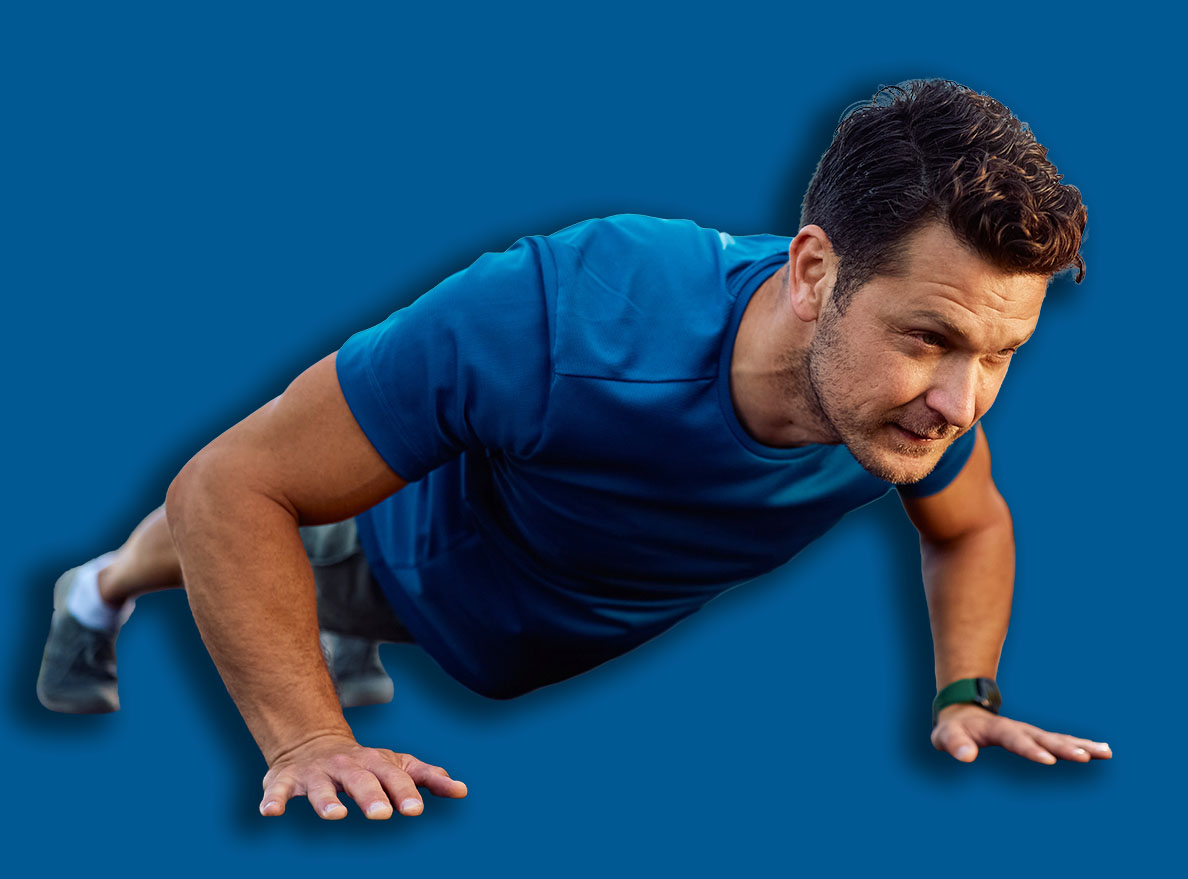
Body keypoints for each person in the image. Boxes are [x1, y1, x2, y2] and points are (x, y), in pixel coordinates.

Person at [36, 78, 1113, 821]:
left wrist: (965, 693)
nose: (962, 401)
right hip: (391, 556)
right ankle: (95, 593)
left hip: (513, 632)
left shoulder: (902, 409)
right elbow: (230, 487)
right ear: (816, 272)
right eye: (929, 339)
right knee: (215, 545)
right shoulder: (562, 316)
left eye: (1000, 353)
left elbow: (970, 527)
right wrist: (306, 741)